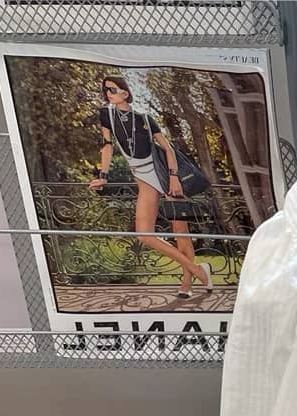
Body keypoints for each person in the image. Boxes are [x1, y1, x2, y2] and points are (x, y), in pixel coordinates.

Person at [89, 75, 212, 300]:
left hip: (165, 176)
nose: (108, 93)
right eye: (106, 90)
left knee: (180, 232)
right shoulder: (106, 115)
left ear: (125, 93)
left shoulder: (144, 118)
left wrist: (174, 178)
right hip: (143, 178)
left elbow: (168, 149)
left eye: (113, 89)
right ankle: (198, 270)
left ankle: (186, 283)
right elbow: (107, 146)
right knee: (144, 235)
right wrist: (103, 176)